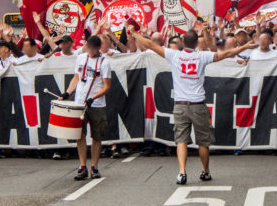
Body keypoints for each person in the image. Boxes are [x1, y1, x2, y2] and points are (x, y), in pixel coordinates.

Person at [129, 22, 256, 185]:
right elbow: (226, 53)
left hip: (180, 104)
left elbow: (150, 45)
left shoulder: (174, 55)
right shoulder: (202, 56)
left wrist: (134, 33)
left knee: (181, 140)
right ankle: (205, 171)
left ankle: (182, 172)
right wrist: (244, 46)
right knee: (203, 141)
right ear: (196, 43)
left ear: (182, 42)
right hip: (198, 104)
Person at [60, 35, 111, 180]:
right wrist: (67, 92)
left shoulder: (104, 62)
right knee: (79, 135)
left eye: (94, 49)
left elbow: (107, 86)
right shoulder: (81, 58)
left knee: (97, 136)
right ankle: (82, 166)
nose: (91, 51)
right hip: (79, 102)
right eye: (89, 48)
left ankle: (94, 166)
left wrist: (93, 98)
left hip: (96, 104)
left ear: (98, 48)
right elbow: (76, 78)